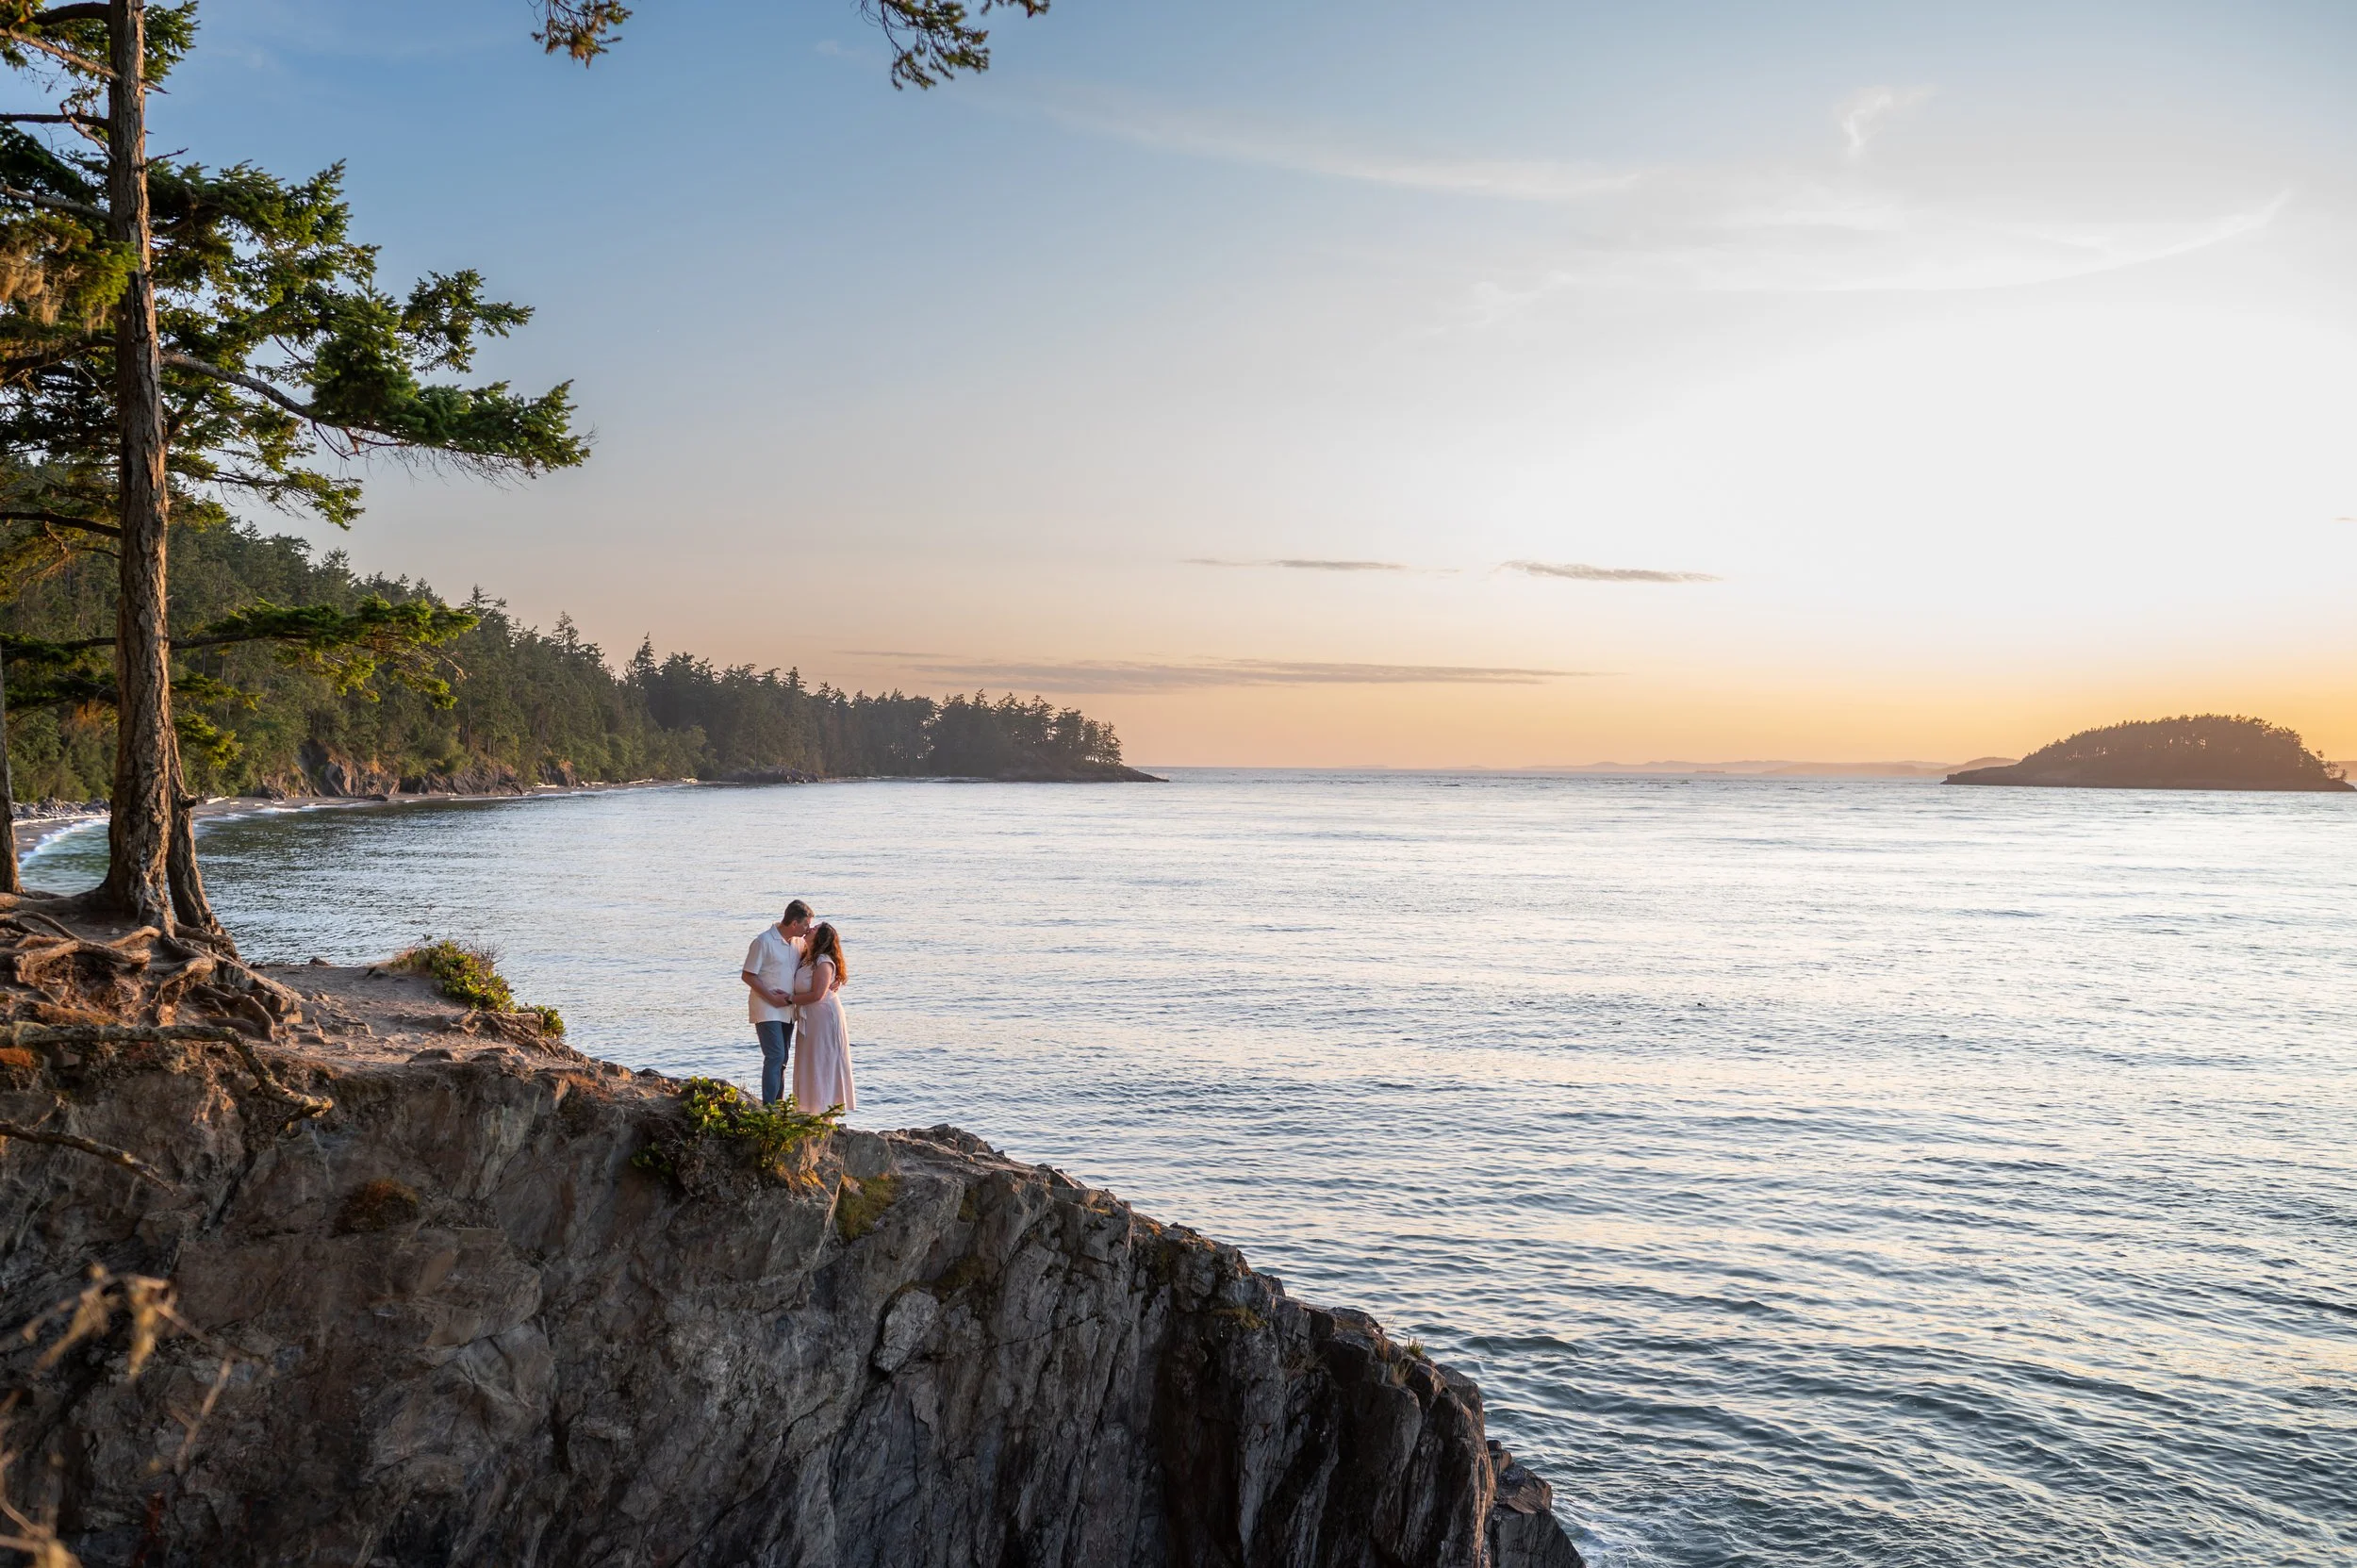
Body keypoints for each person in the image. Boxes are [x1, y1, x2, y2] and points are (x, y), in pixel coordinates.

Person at [741, 900, 813, 1105]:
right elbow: (748, 975)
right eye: (806, 925)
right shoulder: (764, 941)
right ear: (794, 924)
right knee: (775, 1055)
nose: (807, 929)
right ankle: (769, 1107)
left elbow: (814, 964)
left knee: (782, 1060)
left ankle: (778, 1106)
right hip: (766, 1008)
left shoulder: (798, 943)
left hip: (788, 1009)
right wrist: (771, 997)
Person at [783, 920, 855, 1116]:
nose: (810, 929)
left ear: (821, 938)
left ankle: (825, 1113)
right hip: (811, 1017)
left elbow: (817, 994)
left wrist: (789, 999)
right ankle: (809, 1110)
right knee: (810, 1061)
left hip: (824, 1017)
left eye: (815, 929)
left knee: (823, 1061)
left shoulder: (823, 961)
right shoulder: (806, 956)